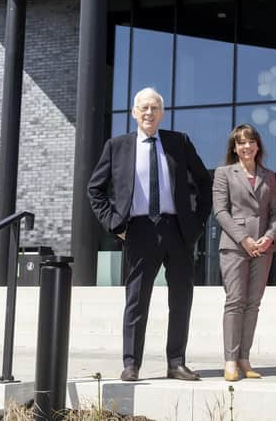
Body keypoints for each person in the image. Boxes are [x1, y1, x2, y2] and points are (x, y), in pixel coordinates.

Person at [88, 87, 212, 382]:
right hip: (139, 230)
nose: (149, 113)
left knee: (181, 299)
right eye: (143, 107)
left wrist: (197, 223)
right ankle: (131, 363)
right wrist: (116, 225)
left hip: (178, 230)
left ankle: (176, 362)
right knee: (136, 300)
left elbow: (205, 182)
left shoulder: (178, 142)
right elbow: (95, 189)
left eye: (154, 108)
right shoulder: (117, 147)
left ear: (162, 113)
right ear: (134, 112)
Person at [212, 124, 276, 382]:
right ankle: (230, 360)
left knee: (253, 304)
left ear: (258, 145)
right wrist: (244, 239)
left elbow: (275, 211)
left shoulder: (269, 175)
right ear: (234, 147)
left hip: (263, 247)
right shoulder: (223, 173)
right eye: (241, 142)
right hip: (234, 246)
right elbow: (220, 211)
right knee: (235, 301)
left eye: (251, 141)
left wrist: (268, 237)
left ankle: (244, 358)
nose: (247, 146)